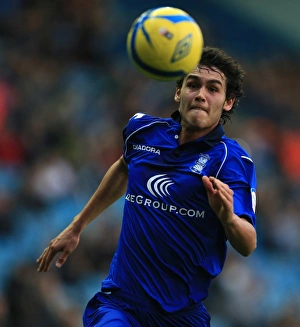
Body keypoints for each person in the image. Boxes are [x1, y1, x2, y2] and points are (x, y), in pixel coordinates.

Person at [37, 46, 257, 327]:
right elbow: (123, 167)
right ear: (179, 92)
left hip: (181, 316)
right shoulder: (142, 131)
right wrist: (77, 226)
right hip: (121, 303)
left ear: (228, 102)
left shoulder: (232, 160)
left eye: (213, 89)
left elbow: (248, 243)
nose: (201, 94)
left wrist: (227, 218)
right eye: (193, 84)